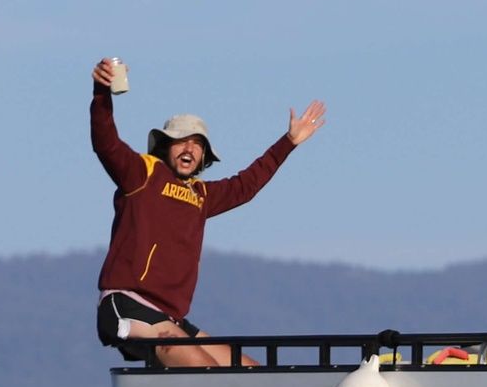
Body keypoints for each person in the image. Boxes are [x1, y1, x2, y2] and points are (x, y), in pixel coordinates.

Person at [89, 59, 326, 368]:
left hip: (170, 317)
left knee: (252, 371)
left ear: (203, 157)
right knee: (207, 371)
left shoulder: (201, 195)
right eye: (182, 141)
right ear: (165, 146)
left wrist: (289, 142)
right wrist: (101, 93)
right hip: (129, 304)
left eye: (198, 144)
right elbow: (105, 142)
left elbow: (246, 186)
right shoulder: (142, 174)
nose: (190, 148)